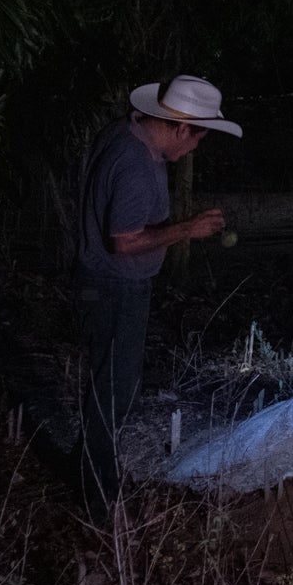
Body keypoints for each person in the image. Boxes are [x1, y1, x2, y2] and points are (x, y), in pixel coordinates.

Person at [75, 75, 240, 516]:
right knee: (115, 390)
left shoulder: (126, 132)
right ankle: (97, 498)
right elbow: (124, 240)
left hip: (105, 281)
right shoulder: (133, 162)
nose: (194, 150)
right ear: (181, 128)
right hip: (116, 286)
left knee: (109, 382)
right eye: (197, 139)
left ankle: (94, 473)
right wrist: (187, 229)